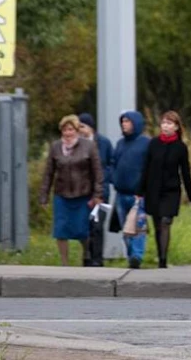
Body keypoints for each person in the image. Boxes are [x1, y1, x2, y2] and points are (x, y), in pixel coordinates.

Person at [40, 115, 103, 266]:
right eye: (64, 130)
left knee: (82, 230)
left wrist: (97, 195)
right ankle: (64, 263)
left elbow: (97, 172)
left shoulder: (88, 146)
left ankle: (86, 254)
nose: (68, 133)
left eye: (71, 130)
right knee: (61, 230)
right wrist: (44, 196)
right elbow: (49, 173)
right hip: (61, 194)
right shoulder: (55, 147)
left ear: (76, 130)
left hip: (82, 194)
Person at [138, 111, 191, 269]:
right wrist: (140, 190)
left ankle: (163, 260)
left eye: (169, 123)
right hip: (153, 189)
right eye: (163, 123)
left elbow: (185, 172)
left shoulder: (180, 147)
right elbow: (146, 167)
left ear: (176, 127)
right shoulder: (154, 143)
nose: (165, 126)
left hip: (171, 191)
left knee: (165, 221)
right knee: (157, 224)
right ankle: (159, 254)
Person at [111, 110, 150, 269]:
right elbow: (113, 163)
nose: (124, 124)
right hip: (121, 194)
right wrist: (114, 178)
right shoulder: (120, 143)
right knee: (126, 230)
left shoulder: (145, 143)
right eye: (123, 121)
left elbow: (149, 167)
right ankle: (130, 256)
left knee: (138, 228)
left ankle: (137, 255)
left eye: (127, 121)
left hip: (138, 195)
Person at [77, 113, 113, 267]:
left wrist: (106, 179)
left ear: (90, 127)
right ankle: (87, 256)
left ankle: (98, 259)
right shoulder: (77, 144)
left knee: (98, 226)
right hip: (83, 191)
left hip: (100, 191)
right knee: (85, 226)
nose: (80, 130)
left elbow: (111, 163)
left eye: (82, 126)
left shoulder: (103, 143)